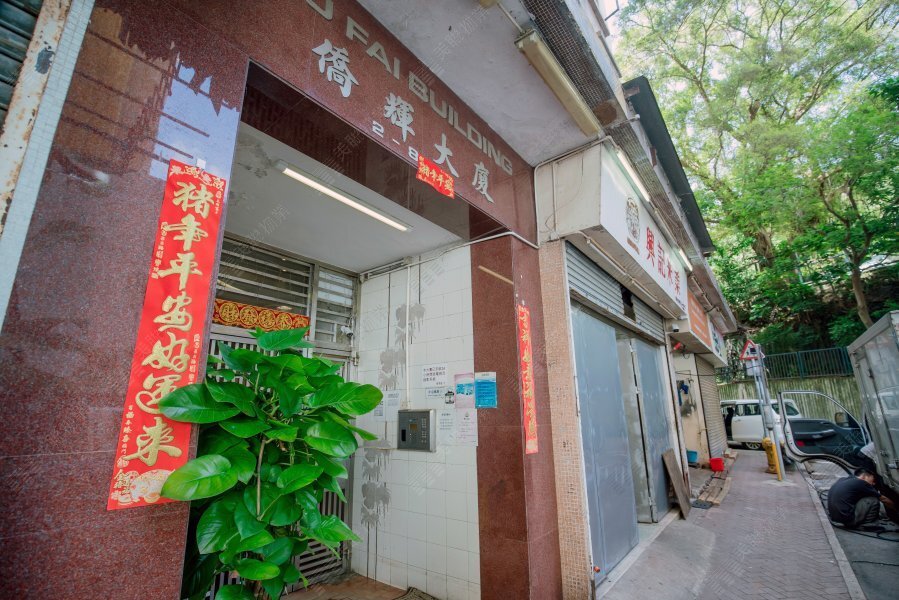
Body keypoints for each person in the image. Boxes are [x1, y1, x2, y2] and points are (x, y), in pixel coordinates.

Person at [827, 468, 893, 528]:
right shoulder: (862, 483)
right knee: (873, 500)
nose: (873, 483)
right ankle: (867, 524)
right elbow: (884, 499)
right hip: (847, 520)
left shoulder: (843, 479)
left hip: (834, 518)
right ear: (864, 476)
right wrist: (895, 507)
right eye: (873, 480)